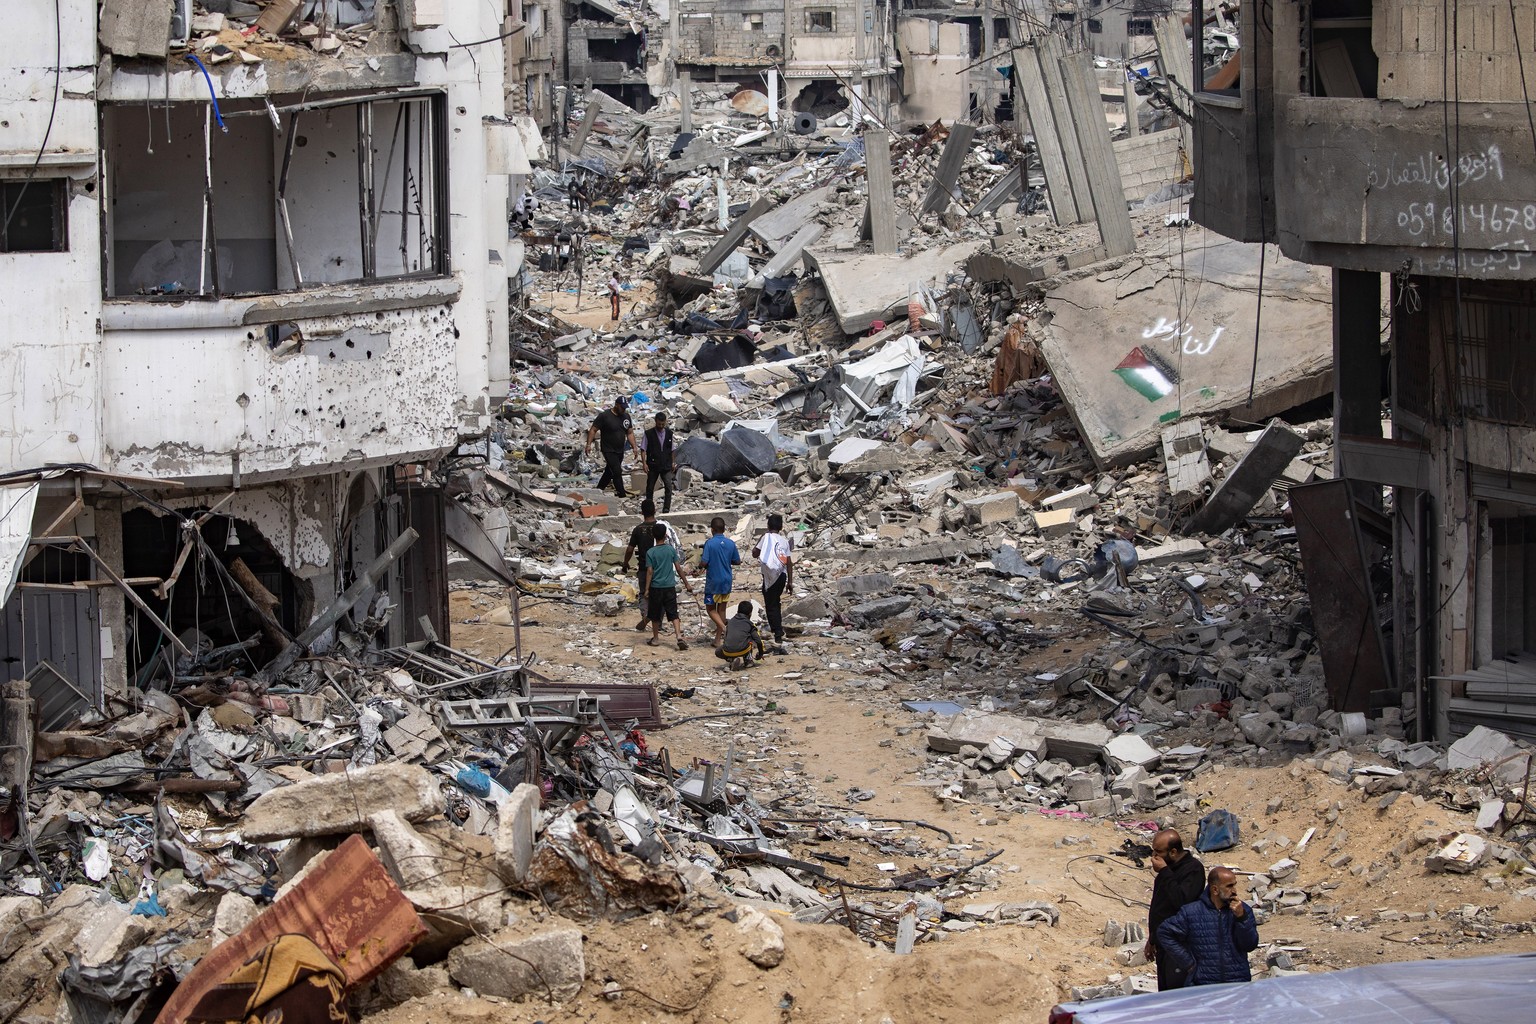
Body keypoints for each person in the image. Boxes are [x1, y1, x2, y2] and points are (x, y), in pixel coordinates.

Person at [1156, 866, 1260, 987]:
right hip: (1203, 984)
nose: (1234, 891)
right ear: (1215, 890)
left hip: (1237, 983)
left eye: (1234, 885)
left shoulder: (1243, 910)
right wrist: (1188, 963)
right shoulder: (1192, 912)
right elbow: (1164, 932)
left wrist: (1241, 918)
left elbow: (1250, 945)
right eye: (1229, 886)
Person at [1145, 829, 1206, 991]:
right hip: (1163, 945)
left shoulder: (1193, 870)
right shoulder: (1167, 872)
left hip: (1179, 945)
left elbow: (1182, 901)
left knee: (1176, 994)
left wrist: (1165, 871)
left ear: (1173, 852)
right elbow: (1160, 908)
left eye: (1158, 852)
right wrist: (1152, 939)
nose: (1154, 857)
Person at [642, 522, 694, 651]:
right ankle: (678, 637)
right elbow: (678, 568)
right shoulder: (670, 550)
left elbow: (650, 571)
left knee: (654, 614)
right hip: (669, 586)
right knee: (673, 613)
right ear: (665, 535)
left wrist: (647, 589)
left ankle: (656, 639)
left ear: (653, 535)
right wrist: (686, 583)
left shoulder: (651, 552)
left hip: (656, 587)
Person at [622, 498, 666, 630]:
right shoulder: (661, 528)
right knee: (660, 594)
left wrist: (625, 563)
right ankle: (658, 622)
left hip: (644, 567)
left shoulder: (638, 530)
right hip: (659, 568)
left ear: (642, 512)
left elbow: (630, 549)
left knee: (644, 594)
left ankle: (646, 616)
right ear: (655, 510)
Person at [697, 516, 741, 646]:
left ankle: (724, 628)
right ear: (724, 529)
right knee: (722, 609)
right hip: (726, 580)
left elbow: (704, 561)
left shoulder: (710, 543)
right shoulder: (730, 543)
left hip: (714, 581)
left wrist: (699, 566)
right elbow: (737, 561)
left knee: (710, 609)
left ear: (712, 529)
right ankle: (718, 640)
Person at [586, 397, 639, 498]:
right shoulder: (605, 416)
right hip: (608, 449)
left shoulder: (626, 417)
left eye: (625, 408)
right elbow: (593, 430)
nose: (623, 410)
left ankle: (599, 489)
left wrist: (634, 447)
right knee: (617, 471)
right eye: (622, 407)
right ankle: (622, 494)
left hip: (620, 450)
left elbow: (630, 433)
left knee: (609, 471)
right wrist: (588, 444)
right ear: (616, 405)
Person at [755, 513, 792, 651]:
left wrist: (761, 539)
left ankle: (777, 634)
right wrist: (790, 582)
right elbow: (789, 563)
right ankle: (779, 629)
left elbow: (755, 553)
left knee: (771, 605)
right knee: (776, 602)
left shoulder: (766, 538)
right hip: (781, 576)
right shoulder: (784, 541)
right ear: (781, 527)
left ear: (768, 525)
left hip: (770, 576)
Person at [641, 411, 675, 512]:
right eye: (659, 424)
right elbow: (643, 449)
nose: (661, 426)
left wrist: (673, 462)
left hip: (666, 465)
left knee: (668, 487)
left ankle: (666, 508)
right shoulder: (648, 434)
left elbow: (672, 449)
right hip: (653, 465)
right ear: (655, 421)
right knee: (650, 488)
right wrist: (644, 463)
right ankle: (649, 509)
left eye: (663, 424)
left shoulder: (669, 434)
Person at [715, 601, 765, 669]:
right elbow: (758, 641)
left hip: (727, 651)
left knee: (717, 651)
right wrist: (760, 654)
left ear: (738, 610)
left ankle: (731, 659)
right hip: (743, 650)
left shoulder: (730, 622)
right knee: (749, 639)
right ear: (750, 613)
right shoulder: (749, 624)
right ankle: (748, 661)